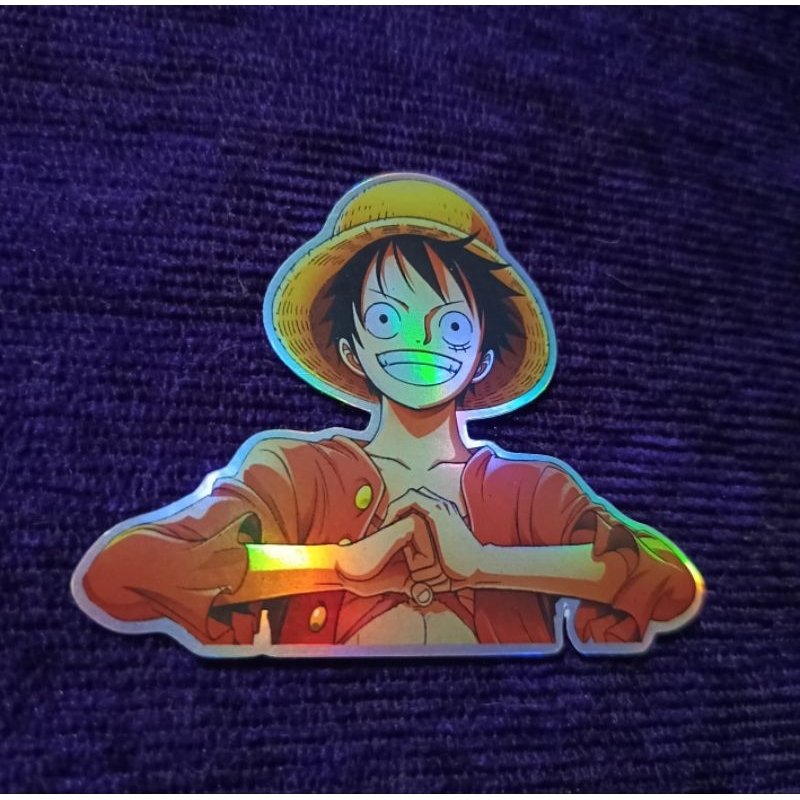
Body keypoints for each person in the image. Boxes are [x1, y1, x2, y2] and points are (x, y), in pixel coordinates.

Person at [72, 174, 704, 656]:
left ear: (482, 357)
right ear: (351, 348)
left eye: (450, 325)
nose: (419, 342)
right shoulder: (296, 475)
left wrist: (485, 561)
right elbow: (122, 573)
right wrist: (335, 564)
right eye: (385, 318)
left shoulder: (532, 491)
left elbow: (668, 582)